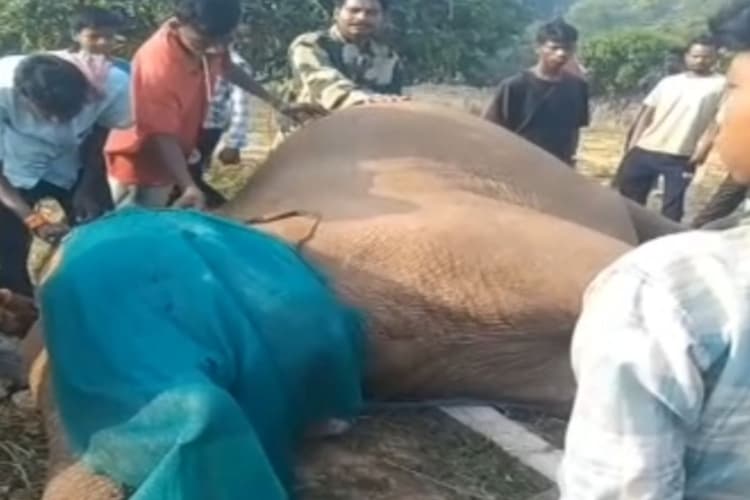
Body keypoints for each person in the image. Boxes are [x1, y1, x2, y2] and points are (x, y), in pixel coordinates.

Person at [558, 5, 750, 498]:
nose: (723, 110)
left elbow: (622, 487)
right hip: (646, 152)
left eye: (733, 89)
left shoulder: (669, 289)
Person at [104, 0, 323, 211]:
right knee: (133, 223)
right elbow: (160, 134)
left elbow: (228, 68)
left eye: (226, 40)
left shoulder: (210, 37)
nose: (217, 49)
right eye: (204, 41)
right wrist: (188, 185)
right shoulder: (158, 66)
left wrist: (278, 103)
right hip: (143, 159)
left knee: (154, 220)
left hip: (174, 154)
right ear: (179, 23)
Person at [0, 54, 130, 298]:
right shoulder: (2, 89)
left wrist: (88, 185)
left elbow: (102, 132)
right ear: (23, 97)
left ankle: (106, 295)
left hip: (76, 158)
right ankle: (25, 309)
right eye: (48, 114)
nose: (57, 122)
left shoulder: (112, 84)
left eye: (69, 113)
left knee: (101, 236)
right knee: (6, 251)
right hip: (15, 162)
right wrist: (33, 220)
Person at [616, 37, 725, 222]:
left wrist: (703, 150)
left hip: (681, 155)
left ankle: (666, 237)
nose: (700, 60)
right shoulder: (669, 82)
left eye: (706, 57)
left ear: (715, 58)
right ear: (686, 56)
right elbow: (646, 114)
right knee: (629, 202)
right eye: (696, 56)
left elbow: (718, 122)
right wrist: (633, 145)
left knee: (672, 209)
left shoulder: (721, 85)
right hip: (646, 148)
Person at [483, 19, 589, 167]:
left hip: (559, 166)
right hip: (518, 164)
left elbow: (575, 130)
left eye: (568, 48)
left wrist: (570, 161)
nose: (561, 53)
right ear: (538, 48)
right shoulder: (514, 87)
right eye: (554, 48)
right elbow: (491, 131)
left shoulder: (578, 87)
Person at [67, 6, 132, 222]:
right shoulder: (61, 67)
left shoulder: (123, 71)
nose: (103, 43)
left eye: (109, 37)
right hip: (61, 149)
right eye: (94, 36)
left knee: (96, 212)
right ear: (76, 36)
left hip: (98, 149)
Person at [286, 0, 405, 112]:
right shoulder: (310, 45)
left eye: (371, 13)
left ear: (383, 18)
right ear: (337, 13)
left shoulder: (387, 56)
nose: (362, 17)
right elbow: (323, 84)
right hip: (313, 123)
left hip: (369, 123)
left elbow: (394, 98)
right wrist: (364, 99)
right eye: (354, 10)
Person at [181, 48, 253, 209]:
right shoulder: (192, 58)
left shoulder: (236, 64)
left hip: (207, 130)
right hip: (185, 125)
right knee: (184, 176)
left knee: (188, 177)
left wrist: (234, 144)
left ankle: (225, 211)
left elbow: (241, 106)